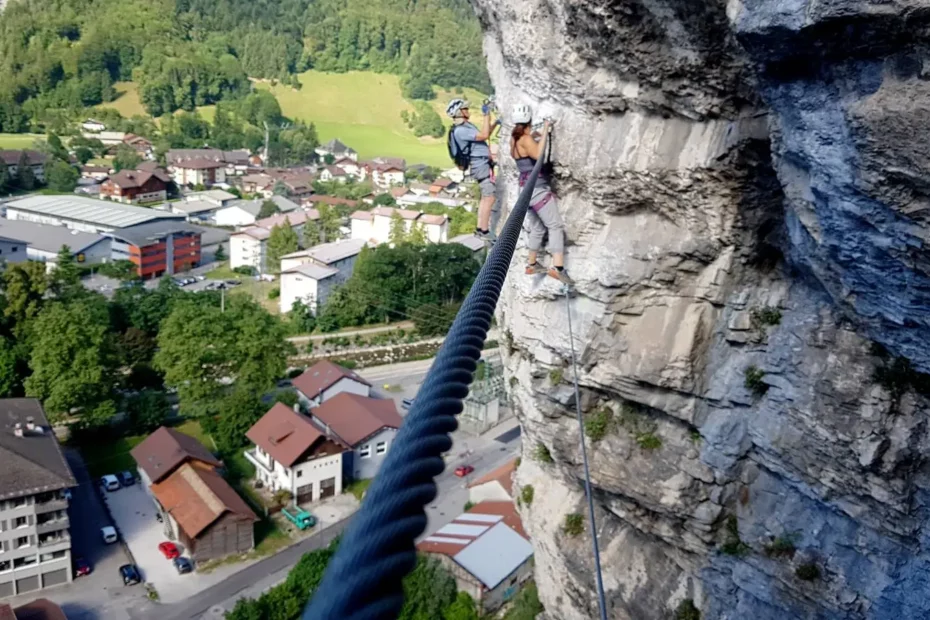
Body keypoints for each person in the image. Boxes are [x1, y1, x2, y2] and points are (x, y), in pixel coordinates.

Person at [510, 104, 571, 285]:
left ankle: (531, 263)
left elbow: (527, 149)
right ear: (529, 119)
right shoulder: (526, 139)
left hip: (525, 189)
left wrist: (536, 136)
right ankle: (558, 268)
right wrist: (544, 130)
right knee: (555, 225)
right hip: (537, 189)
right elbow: (538, 155)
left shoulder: (514, 139)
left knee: (537, 227)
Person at [446, 98, 500, 239]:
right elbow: (484, 135)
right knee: (489, 197)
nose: (468, 111)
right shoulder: (460, 131)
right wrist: (486, 115)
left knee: (485, 197)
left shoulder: (466, 127)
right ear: (459, 112)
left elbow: (483, 135)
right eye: (465, 109)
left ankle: (480, 229)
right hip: (480, 165)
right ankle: (484, 231)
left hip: (481, 164)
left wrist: (495, 123)